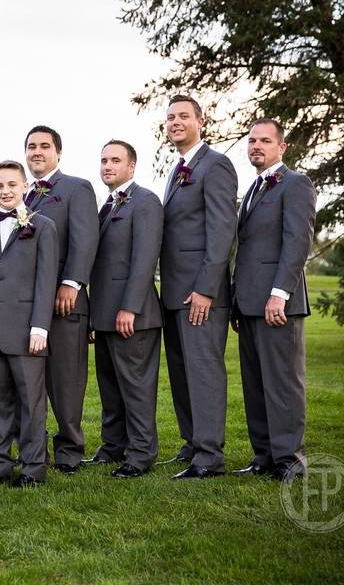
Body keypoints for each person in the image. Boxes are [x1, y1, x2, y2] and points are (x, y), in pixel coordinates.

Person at [231, 119, 316, 483]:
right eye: (252, 141)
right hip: (248, 304)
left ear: (282, 147)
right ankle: (263, 455)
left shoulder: (296, 184)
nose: (256, 146)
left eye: (265, 141)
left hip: (277, 303)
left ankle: (289, 460)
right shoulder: (252, 189)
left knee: (282, 383)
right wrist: (237, 300)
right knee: (255, 384)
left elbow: (298, 241)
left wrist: (279, 293)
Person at [158, 95, 238, 480]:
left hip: (201, 293)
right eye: (170, 117)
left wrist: (207, 288)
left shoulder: (216, 165)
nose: (175, 122)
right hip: (174, 291)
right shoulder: (178, 170)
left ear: (201, 121)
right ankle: (192, 444)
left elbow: (222, 230)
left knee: (203, 371)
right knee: (182, 371)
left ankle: (209, 457)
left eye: (183, 116)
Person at [0, 160, 58, 488]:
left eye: (11, 185)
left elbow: (46, 281)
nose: (5, 191)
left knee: (31, 404)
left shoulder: (43, 226)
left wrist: (40, 327)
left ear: (24, 187)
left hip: (26, 332)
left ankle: (33, 468)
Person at [23, 125, 99, 474]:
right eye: (31, 147)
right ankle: (34, 447)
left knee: (67, 379)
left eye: (44, 146)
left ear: (58, 152)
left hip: (65, 303)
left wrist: (72, 283)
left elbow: (85, 239)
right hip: (28, 304)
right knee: (30, 382)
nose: (36, 152)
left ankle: (70, 450)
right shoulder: (21, 194)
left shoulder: (76, 188)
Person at [87, 140, 164, 478]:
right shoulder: (106, 205)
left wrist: (129, 307)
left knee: (135, 387)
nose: (107, 166)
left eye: (115, 160)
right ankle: (113, 446)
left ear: (131, 167)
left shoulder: (145, 202)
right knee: (110, 386)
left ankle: (141, 453)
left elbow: (145, 258)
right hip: (103, 314)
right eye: (104, 160)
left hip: (134, 314)